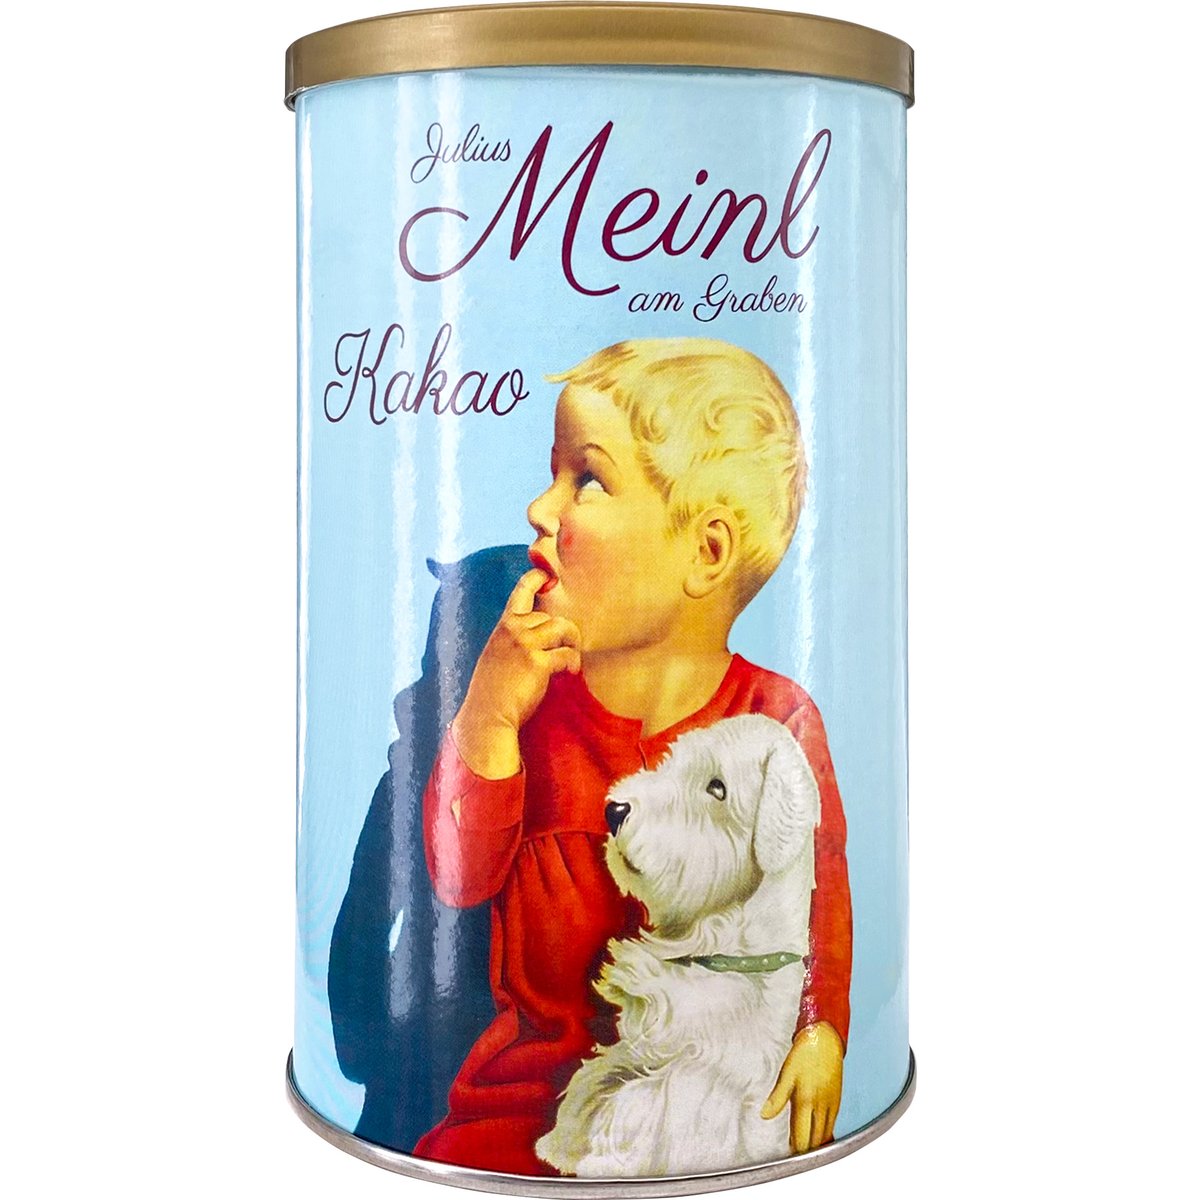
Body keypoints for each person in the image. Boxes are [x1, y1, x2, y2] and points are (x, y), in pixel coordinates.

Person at [414, 338, 852, 1175]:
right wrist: (489, 713)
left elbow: (816, 896)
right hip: (523, 1124)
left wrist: (820, 1029)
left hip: (710, 1112)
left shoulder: (775, 722)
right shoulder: (530, 708)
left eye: (587, 480)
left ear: (707, 552)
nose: (541, 509)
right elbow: (455, 880)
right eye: (553, 475)